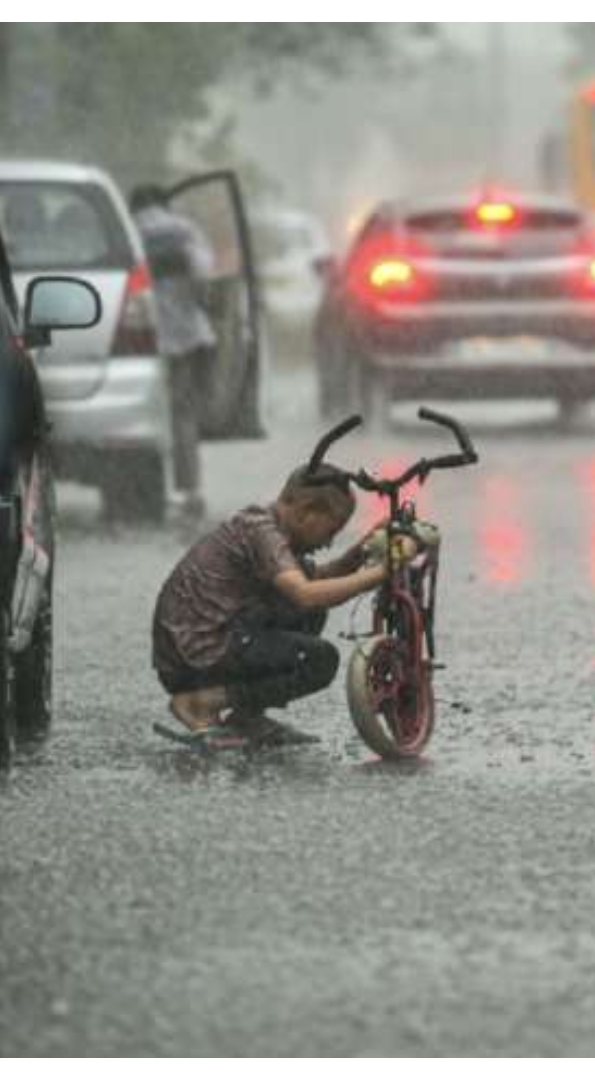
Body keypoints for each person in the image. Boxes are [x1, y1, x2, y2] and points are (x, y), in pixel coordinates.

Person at [151, 462, 417, 745]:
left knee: (309, 614)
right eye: (331, 530)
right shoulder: (262, 532)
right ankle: (201, 703)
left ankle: (245, 717)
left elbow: (318, 580)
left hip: (197, 649)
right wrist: (380, 573)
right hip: (196, 656)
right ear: (306, 512)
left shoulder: (268, 528)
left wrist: (363, 549)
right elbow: (306, 593)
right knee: (320, 660)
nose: (329, 542)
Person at [128, 184, 216, 519]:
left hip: (141, 340)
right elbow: (204, 275)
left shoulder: (128, 229)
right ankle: (189, 490)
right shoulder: (184, 229)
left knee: (145, 418)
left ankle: (144, 491)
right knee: (184, 415)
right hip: (188, 336)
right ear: (164, 203)